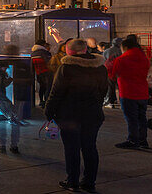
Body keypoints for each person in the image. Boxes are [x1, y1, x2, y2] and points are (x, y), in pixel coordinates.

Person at [44, 38, 110, 193]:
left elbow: (56, 92)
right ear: (85, 50)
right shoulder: (99, 67)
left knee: (72, 148)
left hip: (70, 114)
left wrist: (49, 110)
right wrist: (96, 105)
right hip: (92, 114)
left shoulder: (66, 68)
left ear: (69, 51)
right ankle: (89, 181)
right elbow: (104, 90)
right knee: (90, 147)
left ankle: (72, 181)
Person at [107, 35, 150, 149]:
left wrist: (109, 66)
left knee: (131, 119)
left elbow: (112, 76)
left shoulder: (121, 59)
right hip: (143, 92)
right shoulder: (144, 58)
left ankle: (132, 140)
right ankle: (143, 140)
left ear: (124, 47)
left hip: (128, 92)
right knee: (142, 117)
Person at [101, 38, 123, 108]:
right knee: (120, 87)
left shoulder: (106, 51)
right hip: (119, 71)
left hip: (109, 71)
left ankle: (110, 101)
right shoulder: (120, 51)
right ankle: (121, 101)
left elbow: (103, 61)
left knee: (110, 86)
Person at [31, 39, 52, 105]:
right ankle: (47, 102)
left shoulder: (33, 53)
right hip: (46, 72)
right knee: (48, 87)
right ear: (43, 44)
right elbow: (49, 62)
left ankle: (41, 101)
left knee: (42, 87)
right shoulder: (45, 53)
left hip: (38, 73)